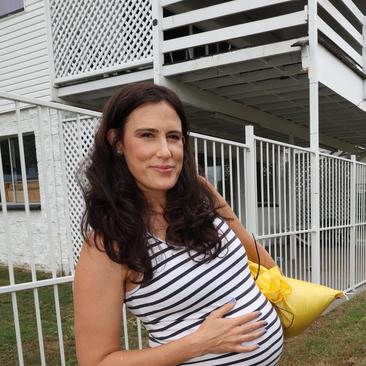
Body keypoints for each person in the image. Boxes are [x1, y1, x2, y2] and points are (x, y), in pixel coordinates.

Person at [74, 83, 284, 365]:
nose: (165, 151)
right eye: (147, 135)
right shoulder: (107, 245)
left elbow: (251, 250)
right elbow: (96, 361)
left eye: (173, 137)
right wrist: (198, 344)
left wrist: (272, 295)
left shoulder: (201, 193)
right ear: (118, 142)